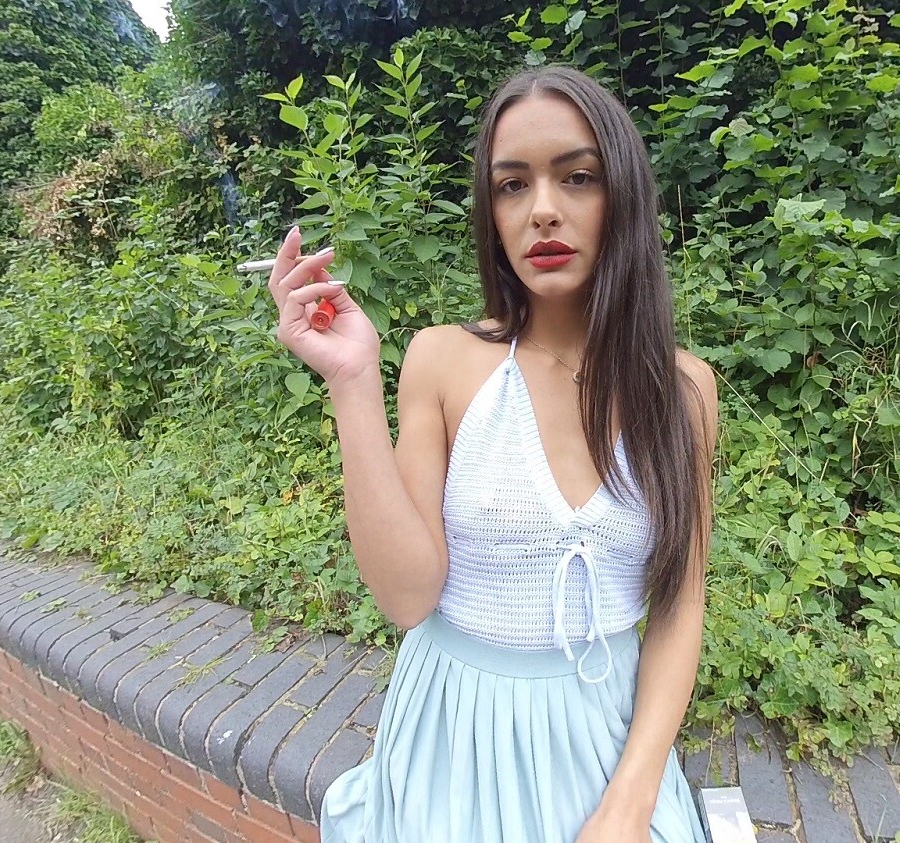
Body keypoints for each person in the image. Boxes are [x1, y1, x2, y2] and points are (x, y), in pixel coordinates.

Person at [266, 64, 718, 843]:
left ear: (624, 195)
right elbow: (408, 597)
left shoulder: (684, 392)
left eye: (577, 176)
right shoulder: (443, 362)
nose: (542, 209)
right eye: (512, 185)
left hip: (606, 746)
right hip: (453, 739)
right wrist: (351, 380)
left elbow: (680, 603)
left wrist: (630, 801)